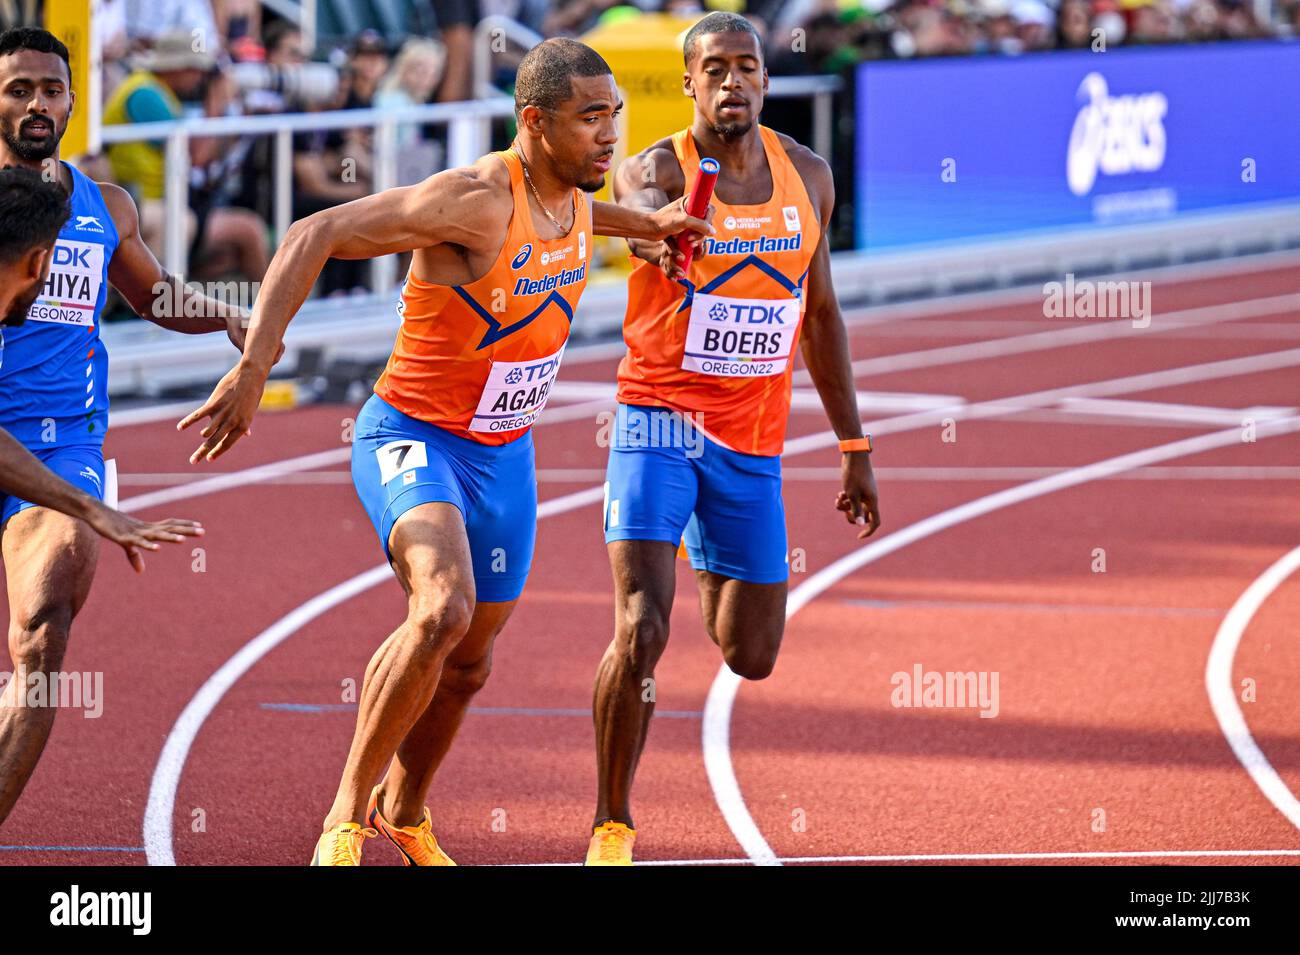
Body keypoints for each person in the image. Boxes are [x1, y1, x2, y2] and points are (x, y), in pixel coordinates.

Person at [178, 37, 712, 866]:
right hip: (413, 435)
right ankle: (345, 818)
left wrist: (640, 222)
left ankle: (405, 808)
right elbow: (318, 229)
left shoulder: (574, 192)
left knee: (470, 664)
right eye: (590, 119)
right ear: (534, 122)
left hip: (505, 454)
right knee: (441, 608)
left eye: (616, 116)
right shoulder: (471, 201)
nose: (611, 136)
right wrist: (255, 363)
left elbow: (575, 217)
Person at [585, 11, 882, 865]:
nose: (730, 83)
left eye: (745, 67)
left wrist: (854, 448)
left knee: (750, 653)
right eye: (712, 69)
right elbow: (639, 215)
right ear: (688, 83)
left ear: (764, 76)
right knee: (642, 628)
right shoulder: (655, 169)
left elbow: (820, 315)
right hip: (658, 421)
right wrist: (662, 232)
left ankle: (700, 536)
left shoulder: (808, 176)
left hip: (751, 442)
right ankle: (613, 822)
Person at [0, 27, 260, 828]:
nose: (38, 103)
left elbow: (152, 296)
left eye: (51, 89)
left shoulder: (104, 206)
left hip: (60, 447)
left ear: (75, 99)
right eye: (18, 89)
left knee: (45, 630)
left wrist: (227, 318)